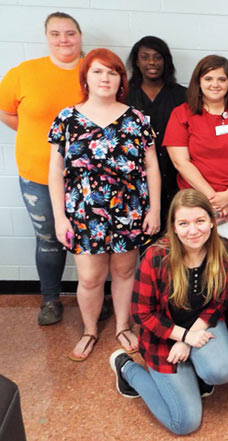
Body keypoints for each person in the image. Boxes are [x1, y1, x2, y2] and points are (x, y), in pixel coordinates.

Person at [48, 48, 161, 361]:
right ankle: (89, 330)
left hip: (129, 210)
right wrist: (60, 218)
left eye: (112, 72)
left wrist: (154, 210)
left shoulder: (136, 118)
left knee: (125, 272)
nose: (105, 78)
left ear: (120, 80)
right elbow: (55, 172)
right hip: (83, 215)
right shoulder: (67, 118)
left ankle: (123, 326)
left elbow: (151, 166)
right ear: (85, 76)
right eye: (98, 71)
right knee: (89, 278)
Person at [109, 189, 228, 436]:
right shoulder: (157, 256)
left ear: (212, 221)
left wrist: (189, 340)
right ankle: (126, 368)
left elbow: (218, 304)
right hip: (162, 334)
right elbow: (141, 314)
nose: (193, 230)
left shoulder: (226, 252)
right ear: (174, 227)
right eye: (184, 223)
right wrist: (181, 336)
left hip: (200, 325)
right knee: (185, 423)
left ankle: (195, 365)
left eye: (200, 221)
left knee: (220, 371)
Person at [164, 55, 228, 337]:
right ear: (198, 82)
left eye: (221, 78)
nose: (215, 84)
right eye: (208, 78)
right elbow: (180, 161)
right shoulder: (182, 114)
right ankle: (196, 312)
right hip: (195, 202)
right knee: (195, 254)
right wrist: (211, 197)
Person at [0, 11, 83, 326]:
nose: (63, 39)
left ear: (80, 36)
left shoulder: (95, 71)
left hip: (87, 179)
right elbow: (7, 113)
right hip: (38, 176)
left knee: (91, 238)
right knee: (49, 239)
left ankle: (92, 294)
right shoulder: (24, 72)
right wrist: (41, 138)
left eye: (70, 33)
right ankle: (51, 299)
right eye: (56, 33)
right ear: (46, 37)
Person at [126, 36, 186, 231]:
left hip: (175, 179)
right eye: (145, 57)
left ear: (165, 61)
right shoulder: (124, 95)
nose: (152, 62)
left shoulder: (182, 96)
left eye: (157, 57)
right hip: (135, 183)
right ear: (136, 61)